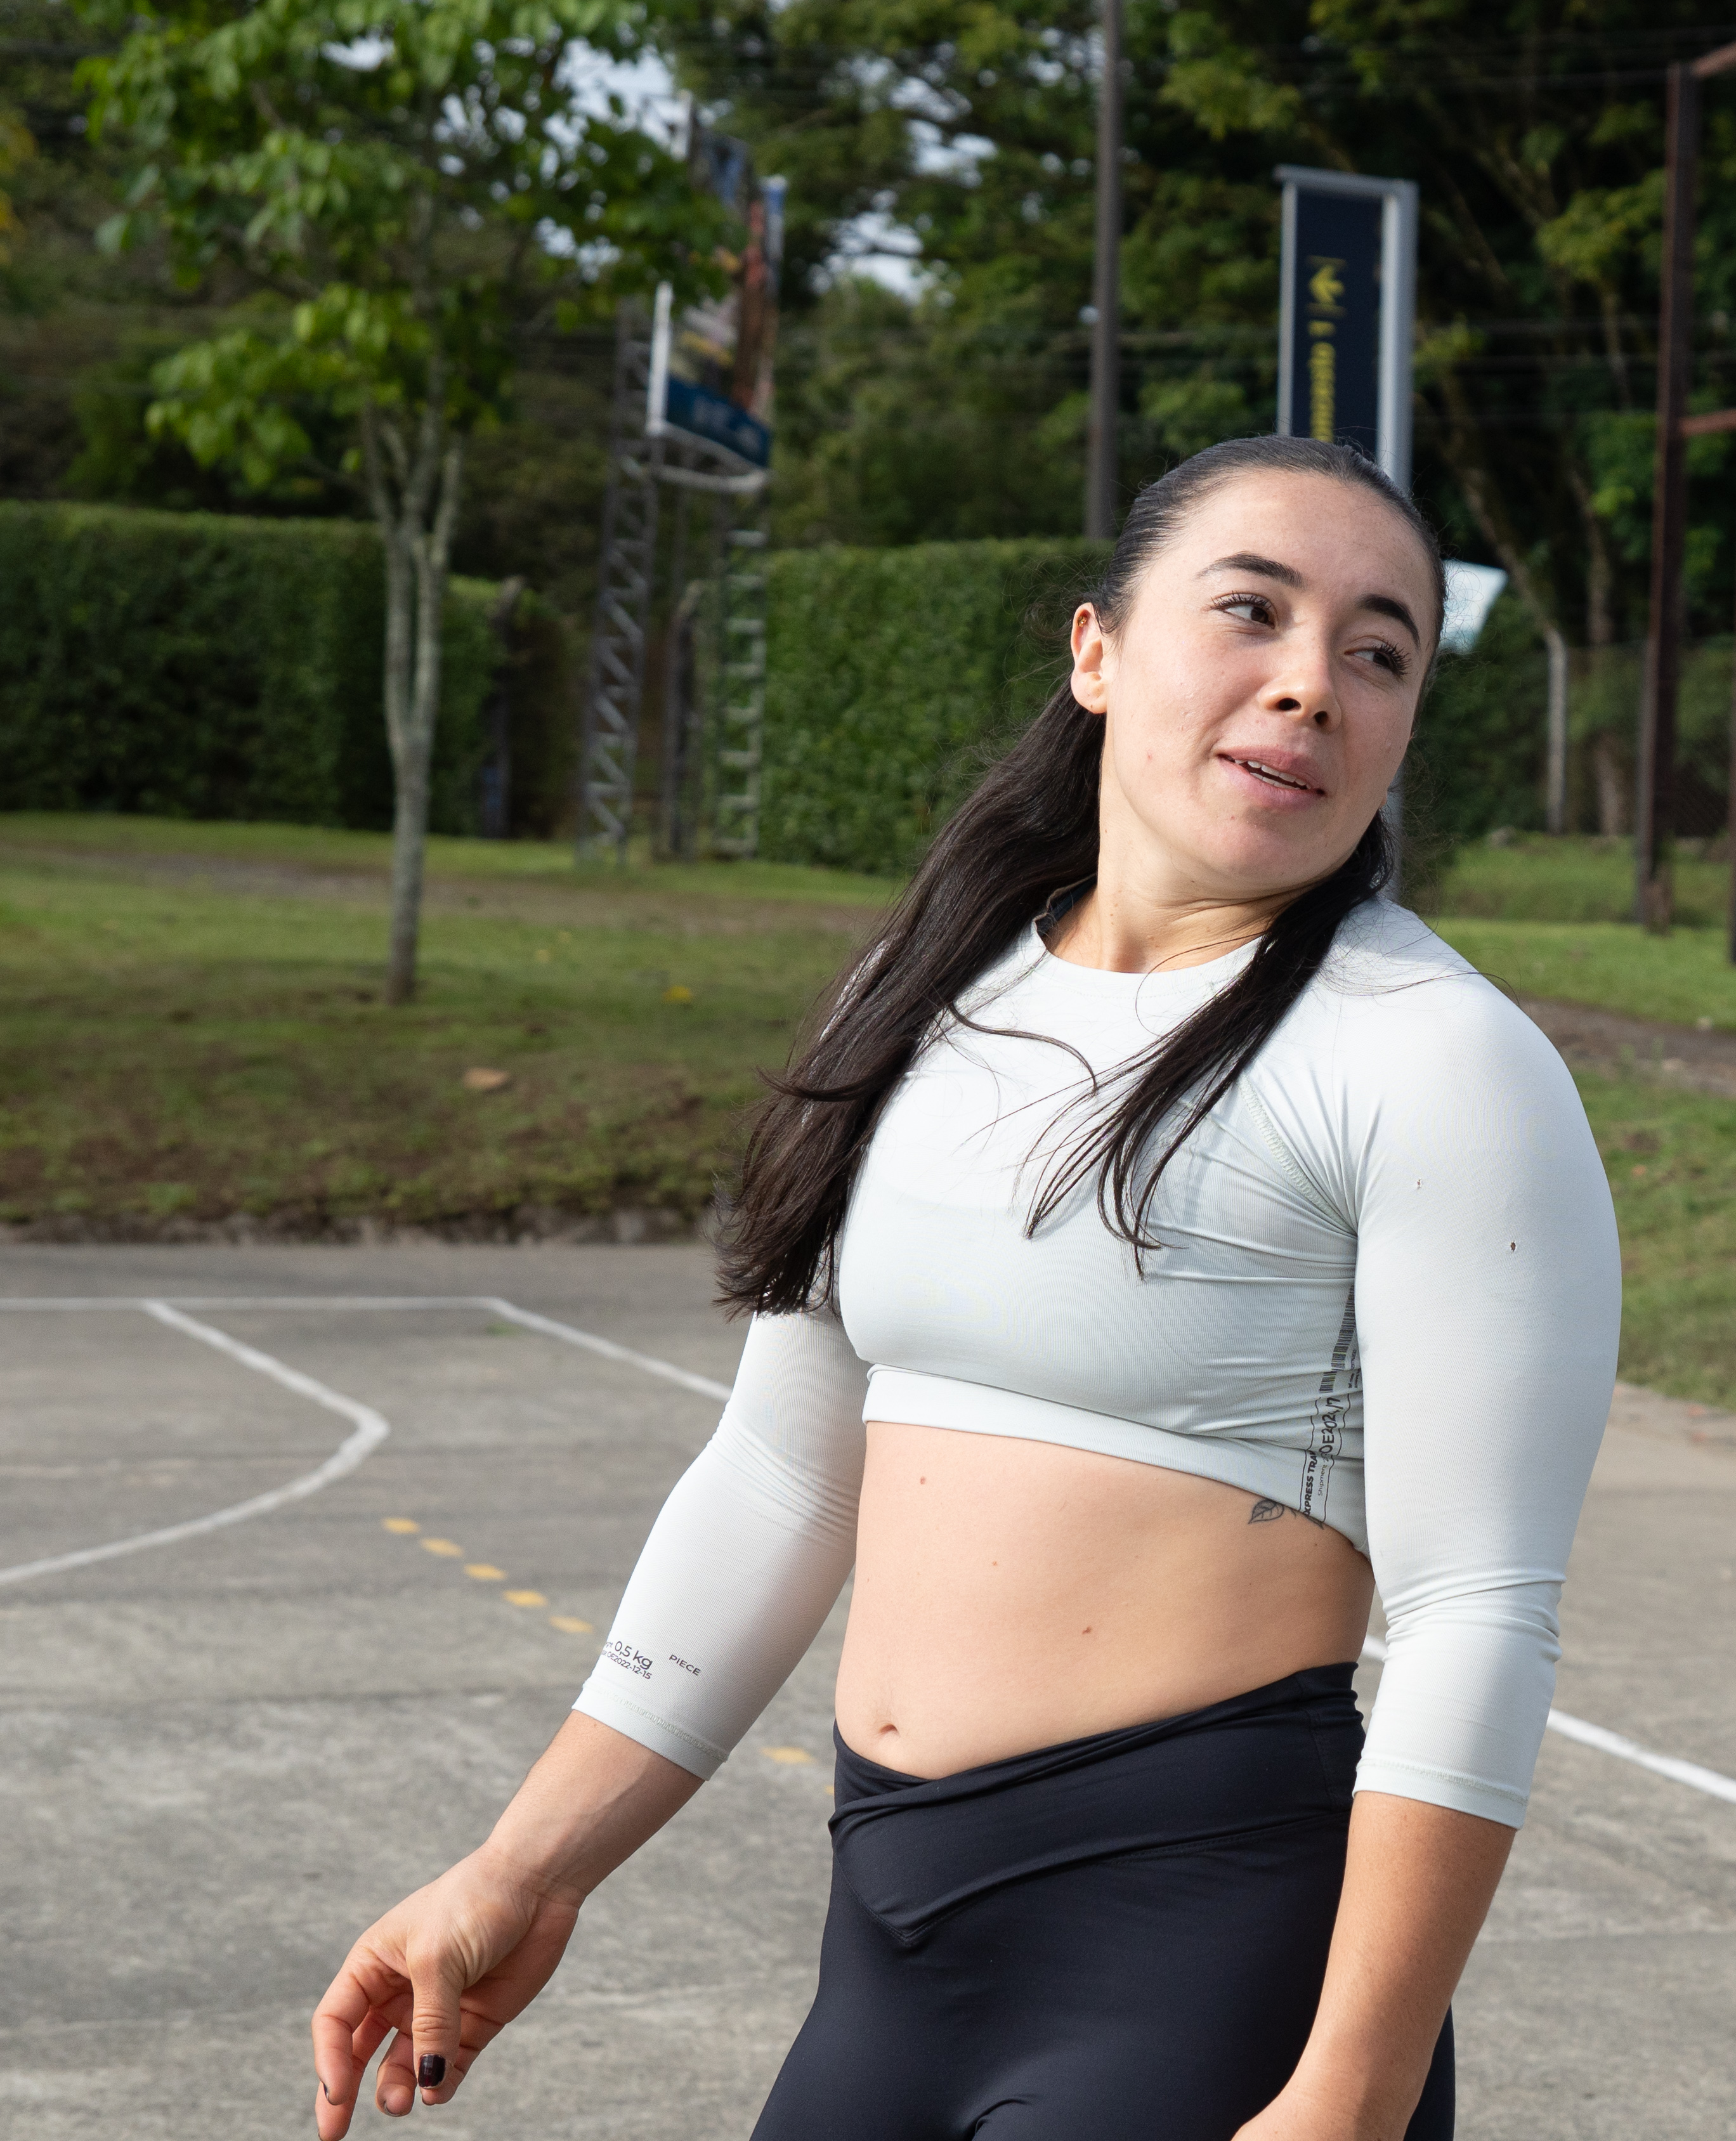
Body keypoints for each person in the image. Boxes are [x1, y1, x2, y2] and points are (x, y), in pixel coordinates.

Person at [303, 435, 1623, 2140]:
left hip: (1208, 1966)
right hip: (893, 1942)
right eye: (1252, 611)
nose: (1309, 684)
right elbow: (780, 1473)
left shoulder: (1434, 1061)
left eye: (1378, 653)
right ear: (1095, 652)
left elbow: (1478, 1613)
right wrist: (527, 1867)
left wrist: (1351, 2095)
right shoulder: (921, 990)